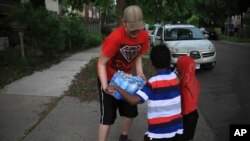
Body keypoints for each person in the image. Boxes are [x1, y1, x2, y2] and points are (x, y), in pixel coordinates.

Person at [107, 45, 183, 141]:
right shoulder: (175, 78)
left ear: (152, 63)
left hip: (158, 132)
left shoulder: (153, 82)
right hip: (177, 128)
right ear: (169, 61)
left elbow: (134, 101)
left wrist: (117, 88)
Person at [97, 5, 149, 141]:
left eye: (138, 29)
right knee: (107, 117)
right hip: (108, 78)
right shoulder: (115, 38)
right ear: (123, 22)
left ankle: (124, 137)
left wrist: (139, 71)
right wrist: (104, 85)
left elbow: (138, 54)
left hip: (127, 80)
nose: (135, 33)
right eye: (132, 29)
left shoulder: (144, 36)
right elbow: (101, 63)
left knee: (130, 111)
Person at [176, 56, 200, 141]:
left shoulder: (184, 84)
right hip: (193, 115)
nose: (177, 69)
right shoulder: (194, 80)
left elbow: (184, 106)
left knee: (182, 137)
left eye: (178, 66)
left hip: (186, 118)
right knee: (188, 137)